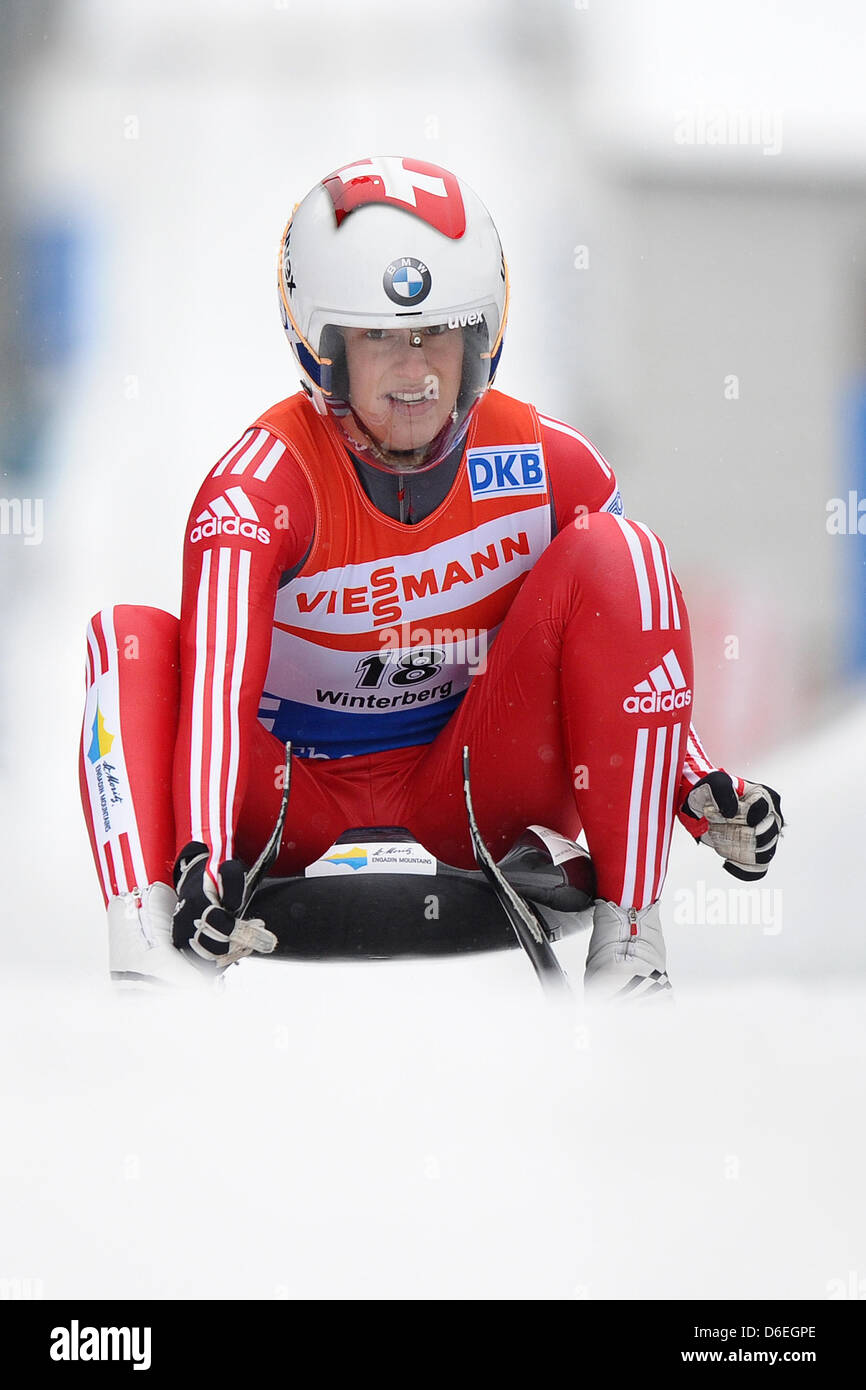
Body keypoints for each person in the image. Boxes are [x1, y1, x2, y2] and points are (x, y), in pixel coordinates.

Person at [79, 155, 783, 999]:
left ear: (481, 337)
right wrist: (199, 848)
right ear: (321, 346)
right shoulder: (253, 490)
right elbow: (213, 694)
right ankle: (150, 952)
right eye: (379, 338)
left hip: (471, 787)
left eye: (435, 336)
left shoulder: (552, 466)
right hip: (283, 802)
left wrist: (697, 787)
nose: (414, 373)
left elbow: (629, 651)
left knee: (622, 551)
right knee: (127, 635)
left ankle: (632, 944)